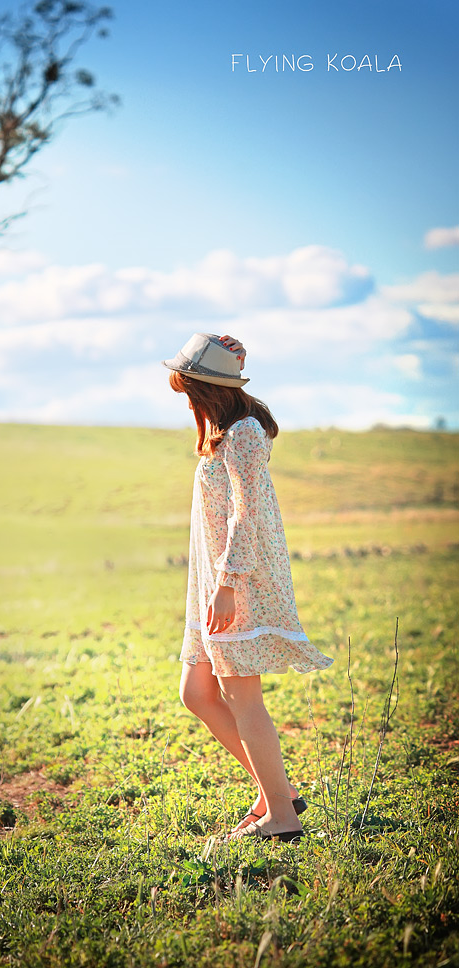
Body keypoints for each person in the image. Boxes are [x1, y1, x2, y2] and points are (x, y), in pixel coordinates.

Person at [162, 332, 333, 842]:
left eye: (188, 389)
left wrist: (230, 583)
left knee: (241, 696)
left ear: (208, 388)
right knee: (196, 692)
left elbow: (247, 513)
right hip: (215, 581)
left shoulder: (246, 434)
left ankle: (281, 815)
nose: (185, 399)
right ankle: (276, 790)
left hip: (239, 581)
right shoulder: (223, 431)